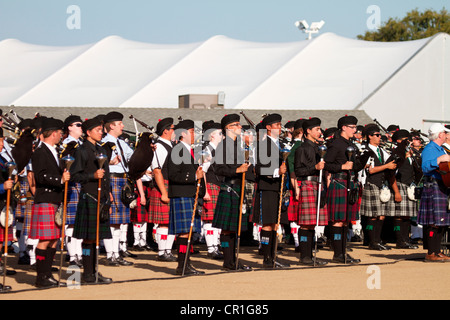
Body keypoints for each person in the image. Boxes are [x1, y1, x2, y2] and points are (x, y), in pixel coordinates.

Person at [71, 117, 113, 283]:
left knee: (96, 238)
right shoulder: (82, 150)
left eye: (101, 129)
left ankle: (94, 270)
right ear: (88, 133)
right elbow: (74, 175)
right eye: (97, 130)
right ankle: (88, 272)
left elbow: (107, 174)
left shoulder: (100, 149)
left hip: (101, 197)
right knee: (89, 238)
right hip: (89, 196)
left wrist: (108, 194)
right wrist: (92, 176)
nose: (101, 132)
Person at [29, 117, 71, 288]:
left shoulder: (55, 151)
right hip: (45, 199)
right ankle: (41, 276)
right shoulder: (40, 152)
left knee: (54, 239)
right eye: (60, 133)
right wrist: (60, 179)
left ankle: (48, 275)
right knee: (45, 240)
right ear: (53, 133)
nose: (61, 136)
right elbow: (40, 176)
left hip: (55, 199)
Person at [212, 114, 252, 271]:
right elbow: (218, 169)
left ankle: (232, 260)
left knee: (234, 228)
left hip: (238, 187)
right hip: (229, 187)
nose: (240, 127)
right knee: (227, 229)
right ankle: (228, 262)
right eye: (236, 124)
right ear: (228, 128)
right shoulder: (224, 146)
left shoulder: (238, 145)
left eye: (239, 124)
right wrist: (237, 170)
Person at [324, 115, 365, 264]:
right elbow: (326, 164)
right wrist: (342, 167)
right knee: (338, 221)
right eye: (352, 127)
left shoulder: (351, 145)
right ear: (344, 128)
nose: (355, 130)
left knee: (346, 221)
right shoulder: (335, 144)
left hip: (350, 182)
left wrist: (364, 160)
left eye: (355, 127)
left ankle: (344, 253)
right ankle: (337, 254)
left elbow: (354, 166)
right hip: (339, 181)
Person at [167, 119, 205, 275]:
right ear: (183, 133)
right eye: (192, 131)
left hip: (190, 195)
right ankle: (182, 265)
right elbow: (173, 175)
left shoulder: (190, 151)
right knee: (183, 232)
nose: (195, 134)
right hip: (181, 194)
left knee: (188, 232)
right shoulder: (177, 151)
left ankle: (186, 264)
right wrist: (194, 177)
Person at [252, 113, 290, 269]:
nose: (280, 128)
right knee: (268, 225)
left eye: (280, 125)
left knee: (275, 224)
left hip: (276, 188)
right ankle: (267, 257)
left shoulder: (277, 144)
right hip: (267, 186)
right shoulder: (263, 144)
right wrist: (277, 172)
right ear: (268, 127)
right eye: (277, 125)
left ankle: (273, 256)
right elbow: (259, 168)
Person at [294, 117, 328, 265]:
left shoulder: (318, 147)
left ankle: (310, 255)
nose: (319, 132)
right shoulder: (302, 148)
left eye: (320, 129)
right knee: (306, 223)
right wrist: (315, 167)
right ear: (308, 131)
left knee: (313, 223)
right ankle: (304, 255)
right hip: (308, 184)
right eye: (317, 129)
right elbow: (298, 170)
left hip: (318, 184)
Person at [101, 112, 134, 266]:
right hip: (111, 179)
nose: (123, 126)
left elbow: (133, 157)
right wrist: (110, 164)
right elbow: (98, 166)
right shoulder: (103, 143)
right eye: (120, 123)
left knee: (119, 222)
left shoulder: (121, 143)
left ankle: (116, 253)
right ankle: (110, 255)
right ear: (111, 126)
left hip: (122, 180)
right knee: (111, 221)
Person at [359, 124, 397, 251]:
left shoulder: (381, 151)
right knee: (372, 216)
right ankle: (372, 241)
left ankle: (378, 240)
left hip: (381, 185)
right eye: (377, 135)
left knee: (381, 215)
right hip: (372, 184)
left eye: (380, 135)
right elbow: (371, 170)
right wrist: (387, 167)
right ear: (369, 136)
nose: (380, 137)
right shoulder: (366, 150)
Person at [417, 123, 450, 262]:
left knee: (441, 221)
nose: (447, 135)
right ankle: (431, 252)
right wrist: (439, 160)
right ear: (440, 135)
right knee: (433, 222)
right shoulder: (430, 148)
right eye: (445, 133)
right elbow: (425, 167)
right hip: (434, 186)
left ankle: (437, 251)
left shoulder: (440, 149)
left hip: (442, 184)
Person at [149, 118, 176, 261]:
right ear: (165, 130)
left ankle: (168, 251)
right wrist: (164, 192)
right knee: (164, 222)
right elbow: (157, 170)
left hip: (170, 185)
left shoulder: (170, 145)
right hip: (163, 185)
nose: (174, 132)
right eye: (172, 129)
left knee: (170, 221)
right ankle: (162, 252)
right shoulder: (159, 146)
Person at [389, 129, 420, 249]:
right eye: (406, 140)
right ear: (398, 141)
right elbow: (392, 173)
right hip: (399, 184)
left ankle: (406, 239)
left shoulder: (410, 153)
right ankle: (400, 240)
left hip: (409, 186)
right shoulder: (396, 153)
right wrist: (396, 191)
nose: (410, 142)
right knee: (398, 215)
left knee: (407, 215)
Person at [62, 115, 84, 267]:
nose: (81, 127)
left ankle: (79, 254)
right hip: (71, 185)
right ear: (69, 127)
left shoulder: (80, 143)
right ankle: (72, 256)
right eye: (77, 125)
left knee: (79, 222)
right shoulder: (67, 145)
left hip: (81, 185)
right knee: (71, 223)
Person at [201, 121, 224, 259]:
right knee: (210, 219)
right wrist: (205, 191)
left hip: (218, 185)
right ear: (211, 136)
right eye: (220, 133)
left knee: (216, 218)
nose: (222, 136)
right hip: (210, 186)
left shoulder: (218, 150)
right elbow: (202, 171)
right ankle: (211, 249)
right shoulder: (206, 151)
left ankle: (216, 245)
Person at [0, 127, 15, 291]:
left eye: (3, 140)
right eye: (0, 141)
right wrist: (2, 186)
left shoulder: (2, 159)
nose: (2, 144)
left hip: (2, 205)